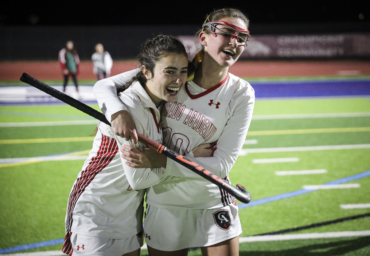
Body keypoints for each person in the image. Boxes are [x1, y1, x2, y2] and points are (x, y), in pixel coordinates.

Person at [93, 8, 255, 256]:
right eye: (226, 32)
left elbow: (221, 164)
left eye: (241, 37)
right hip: (164, 201)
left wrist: (162, 161)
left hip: (211, 199)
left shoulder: (241, 92)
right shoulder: (173, 73)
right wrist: (117, 111)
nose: (234, 41)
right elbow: (105, 85)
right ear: (204, 37)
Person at [62, 35, 212, 256]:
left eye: (182, 71)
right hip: (96, 215)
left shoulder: (157, 102)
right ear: (146, 72)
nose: (179, 80)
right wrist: (188, 160)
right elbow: (139, 179)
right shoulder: (131, 106)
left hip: (130, 218)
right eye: (170, 71)